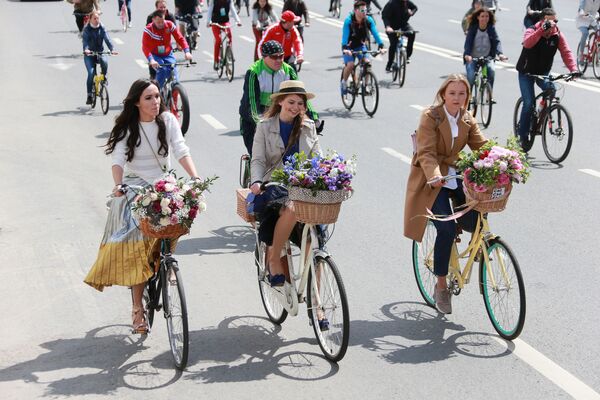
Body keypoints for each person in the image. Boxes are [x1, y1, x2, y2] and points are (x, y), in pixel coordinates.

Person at [85, 79, 200, 334]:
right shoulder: (128, 127)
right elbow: (117, 160)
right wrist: (118, 185)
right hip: (135, 186)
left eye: (157, 96)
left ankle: (166, 260)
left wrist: (195, 178)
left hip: (163, 184)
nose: (155, 102)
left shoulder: (168, 121)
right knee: (138, 247)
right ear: (137, 102)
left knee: (179, 217)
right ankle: (138, 310)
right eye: (149, 98)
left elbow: (181, 150)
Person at [404, 74, 488, 315]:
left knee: (477, 215)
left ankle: (481, 247)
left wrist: (502, 160)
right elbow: (427, 152)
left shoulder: (467, 118)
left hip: (457, 176)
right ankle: (441, 286)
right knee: (446, 229)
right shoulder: (431, 116)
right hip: (433, 180)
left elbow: (481, 146)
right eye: (452, 93)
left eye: (462, 94)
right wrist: (434, 174)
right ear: (443, 95)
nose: (457, 98)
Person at [249, 80, 321, 289]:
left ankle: (318, 305)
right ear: (280, 101)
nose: (296, 107)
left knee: (315, 241)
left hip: (302, 184)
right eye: (291, 102)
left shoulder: (308, 127)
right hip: (273, 185)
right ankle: (273, 258)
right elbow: (258, 160)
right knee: (291, 208)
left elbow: (318, 158)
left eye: (300, 103)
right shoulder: (264, 126)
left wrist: (329, 177)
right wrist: (256, 181)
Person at [239, 40, 319, 155]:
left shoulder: (288, 70)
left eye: (281, 56)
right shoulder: (254, 72)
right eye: (274, 57)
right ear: (264, 57)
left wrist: (314, 118)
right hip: (254, 117)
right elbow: (251, 104)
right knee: (258, 157)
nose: (279, 60)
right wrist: (260, 124)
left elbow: (301, 95)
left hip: (280, 113)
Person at [515, 8, 578, 148]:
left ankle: (540, 115)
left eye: (555, 21)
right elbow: (527, 43)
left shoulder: (557, 34)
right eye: (550, 21)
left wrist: (573, 69)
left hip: (543, 72)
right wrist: (540, 31)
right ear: (542, 20)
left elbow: (566, 52)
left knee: (551, 89)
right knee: (529, 102)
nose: (553, 23)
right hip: (526, 73)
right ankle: (523, 135)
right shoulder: (532, 30)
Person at [341, 1, 384, 95]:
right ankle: (344, 82)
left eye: (366, 10)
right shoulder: (349, 21)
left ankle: (365, 86)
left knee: (367, 63)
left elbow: (375, 33)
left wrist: (381, 45)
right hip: (348, 47)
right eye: (362, 10)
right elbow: (344, 37)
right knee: (351, 65)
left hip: (360, 45)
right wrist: (345, 48)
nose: (365, 12)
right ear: (356, 11)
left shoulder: (368, 20)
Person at [142, 10, 193, 88]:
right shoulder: (148, 30)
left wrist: (187, 51)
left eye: (162, 21)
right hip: (155, 56)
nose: (161, 24)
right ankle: (157, 93)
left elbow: (180, 38)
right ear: (153, 20)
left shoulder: (169, 25)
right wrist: (151, 60)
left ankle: (174, 95)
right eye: (158, 22)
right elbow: (145, 47)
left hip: (168, 54)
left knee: (175, 78)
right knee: (162, 70)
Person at [463, 7, 507, 90]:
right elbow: (468, 43)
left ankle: (489, 94)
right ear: (478, 17)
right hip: (472, 58)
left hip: (487, 57)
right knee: (471, 76)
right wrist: (467, 55)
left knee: (491, 71)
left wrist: (500, 54)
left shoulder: (491, 28)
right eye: (482, 16)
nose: (484, 18)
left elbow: (496, 41)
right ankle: (468, 96)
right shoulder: (473, 28)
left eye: (487, 16)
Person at [83, 11, 118, 105]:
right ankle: (89, 95)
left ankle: (104, 77)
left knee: (104, 61)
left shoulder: (102, 28)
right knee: (91, 73)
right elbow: (85, 42)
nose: (96, 20)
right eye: (94, 18)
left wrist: (112, 49)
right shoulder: (87, 29)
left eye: (98, 18)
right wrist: (86, 50)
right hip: (89, 54)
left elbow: (107, 39)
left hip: (100, 52)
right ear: (90, 19)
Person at [382, 0, 417, 72]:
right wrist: (388, 26)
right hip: (392, 27)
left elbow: (415, 8)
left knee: (412, 33)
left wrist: (411, 12)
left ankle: (407, 56)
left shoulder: (407, 2)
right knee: (393, 44)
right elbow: (384, 15)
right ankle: (389, 64)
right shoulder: (391, 3)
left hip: (403, 25)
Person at [206, 0, 242, 70]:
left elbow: (233, 10)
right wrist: (208, 21)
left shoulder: (229, 1)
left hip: (225, 22)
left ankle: (229, 54)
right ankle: (216, 60)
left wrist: (237, 20)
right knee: (218, 40)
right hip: (215, 23)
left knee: (229, 36)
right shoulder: (213, 1)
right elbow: (210, 11)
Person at [146, 1, 176, 80]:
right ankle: (154, 80)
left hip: (166, 46)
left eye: (164, 7)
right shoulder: (151, 17)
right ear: (156, 8)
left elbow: (176, 32)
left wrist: (180, 46)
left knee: (172, 68)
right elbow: (148, 34)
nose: (163, 9)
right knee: (157, 67)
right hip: (155, 46)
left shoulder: (170, 16)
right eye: (160, 7)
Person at [575, 0, 600, 65]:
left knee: (599, 32)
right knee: (585, 33)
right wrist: (583, 12)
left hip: (593, 20)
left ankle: (596, 53)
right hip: (582, 19)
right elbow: (581, 8)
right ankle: (581, 55)